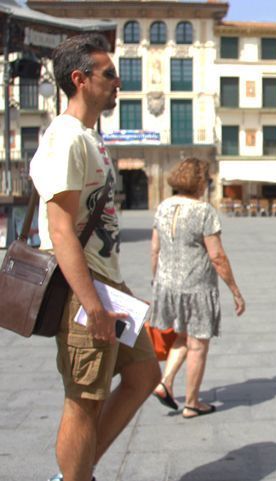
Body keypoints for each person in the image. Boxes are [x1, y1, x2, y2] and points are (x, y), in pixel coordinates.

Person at [29, 34, 161, 481]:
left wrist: (116, 290)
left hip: (106, 284)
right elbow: (60, 227)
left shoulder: (87, 136)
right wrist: (92, 303)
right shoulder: (65, 138)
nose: (118, 82)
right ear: (80, 79)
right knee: (84, 398)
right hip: (82, 291)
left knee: (144, 374)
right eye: (109, 74)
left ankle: (78, 473)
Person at [149, 158, 245, 419]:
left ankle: (165, 383)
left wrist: (155, 279)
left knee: (181, 336)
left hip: (167, 285)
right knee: (198, 344)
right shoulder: (204, 211)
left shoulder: (163, 207)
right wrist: (235, 290)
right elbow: (217, 257)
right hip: (196, 288)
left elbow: (155, 248)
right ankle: (192, 403)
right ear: (200, 183)